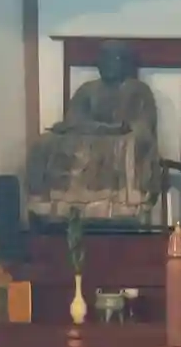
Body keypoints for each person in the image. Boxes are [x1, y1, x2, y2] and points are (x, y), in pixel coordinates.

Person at [26, 41, 160, 223]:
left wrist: (121, 130)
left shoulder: (139, 90)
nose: (107, 64)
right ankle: (53, 206)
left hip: (120, 139)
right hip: (88, 136)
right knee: (44, 142)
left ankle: (121, 208)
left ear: (124, 63)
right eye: (103, 59)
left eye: (113, 59)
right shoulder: (87, 90)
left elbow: (144, 125)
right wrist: (92, 128)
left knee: (129, 144)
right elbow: (74, 120)